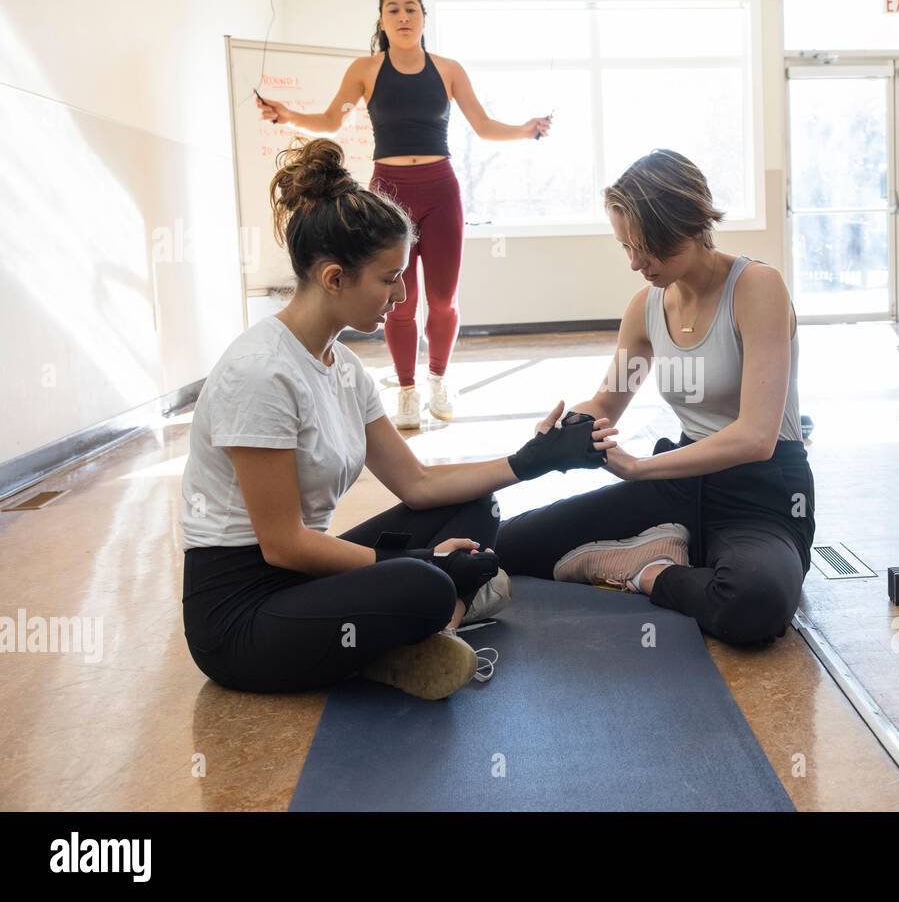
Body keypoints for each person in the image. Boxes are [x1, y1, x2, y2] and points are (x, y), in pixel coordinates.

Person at [180, 137, 613, 700]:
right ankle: (431, 617)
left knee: (472, 508)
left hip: (303, 581)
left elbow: (419, 483)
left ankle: (426, 636)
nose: (403, 294)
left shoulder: (343, 366)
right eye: (390, 278)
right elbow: (283, 545)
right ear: (335, 278)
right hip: (241, 615)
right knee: (423, 583)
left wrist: (532, 461)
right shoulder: (261, 372)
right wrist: (421, 562)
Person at [496, 150, 816, 646]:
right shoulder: (646, 306)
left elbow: (757, 437)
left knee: (754, 605)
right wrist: (567, 429)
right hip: (681, 481)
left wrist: (640, 468)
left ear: (688, 227)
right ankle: (664, 544)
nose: (634, 264)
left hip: (763, 494)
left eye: (646, 248)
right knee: (511, 545)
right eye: (626, 246)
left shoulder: (757, 288)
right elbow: (609, 399)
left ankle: (651, 570)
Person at [258, 0, 552, 427]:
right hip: (389, 192)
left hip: (440, 188)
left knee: (443, 299)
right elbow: (332, 121)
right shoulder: (366, 69)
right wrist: (288, 116)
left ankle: (438, 379)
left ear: (423, 19)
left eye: (411, 9)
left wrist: (525, 129)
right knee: (400, 299)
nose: (402, 16)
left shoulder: (449, 69)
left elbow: (484, 125)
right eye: (393, 9)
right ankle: (408, 391)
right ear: (382, 20)